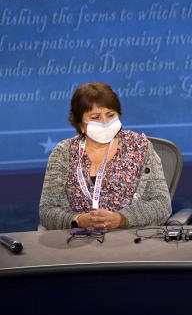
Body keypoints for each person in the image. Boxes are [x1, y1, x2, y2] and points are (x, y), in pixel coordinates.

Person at [39, 82, 172, 231]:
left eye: (110, 115)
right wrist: (79, 220)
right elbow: (47, 210)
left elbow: (161, 205)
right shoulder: (64, 153)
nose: (105, 123)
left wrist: (122, 219)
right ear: (81, 125)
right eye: (95, 117)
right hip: (79, 241)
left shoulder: (140, 147)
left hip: (130, 239)